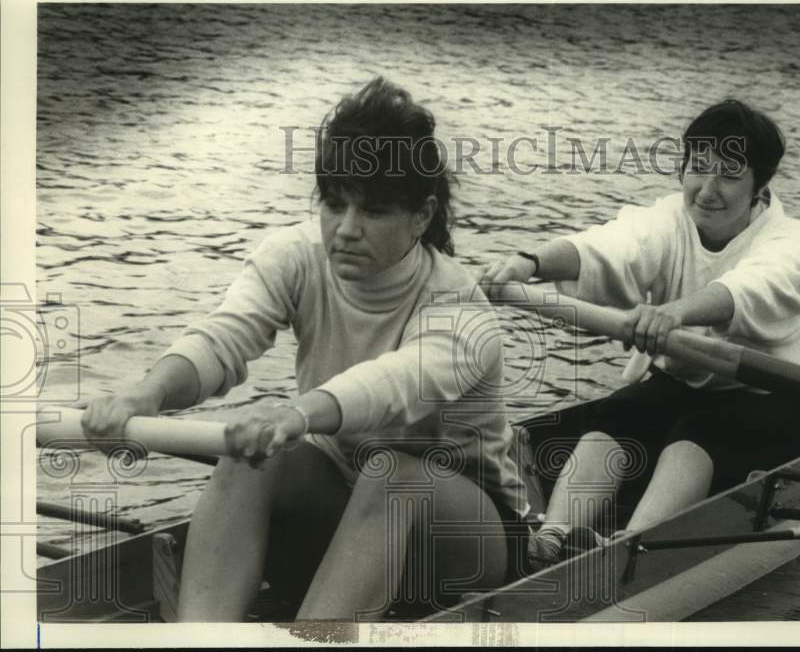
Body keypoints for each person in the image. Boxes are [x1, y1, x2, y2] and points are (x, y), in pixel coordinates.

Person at [81, 77, 529, 621]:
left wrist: (299, 413)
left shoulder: (460, 307)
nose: (345, 230)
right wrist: (145, 396)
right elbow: (224, 337)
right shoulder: (295, 257)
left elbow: (394, 385)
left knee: (391, 471)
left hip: (468, 539)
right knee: (251, 458)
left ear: (422, 215)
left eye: (374, 212)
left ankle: (314, 638)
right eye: (335, 204)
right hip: (348, 511)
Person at [479, 99, 800, 569]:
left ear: (759, 188)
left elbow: (751, 287)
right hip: (685, 386)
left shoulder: (785, 242)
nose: (707, 189)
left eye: (728, 174)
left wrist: (673, 313)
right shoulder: (668, 220)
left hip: (771, 400)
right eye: (698, 168)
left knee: (695, 432)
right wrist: (530, 263)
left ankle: (631, 551)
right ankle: (552, 538)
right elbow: (610, 248)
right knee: (618, 414)